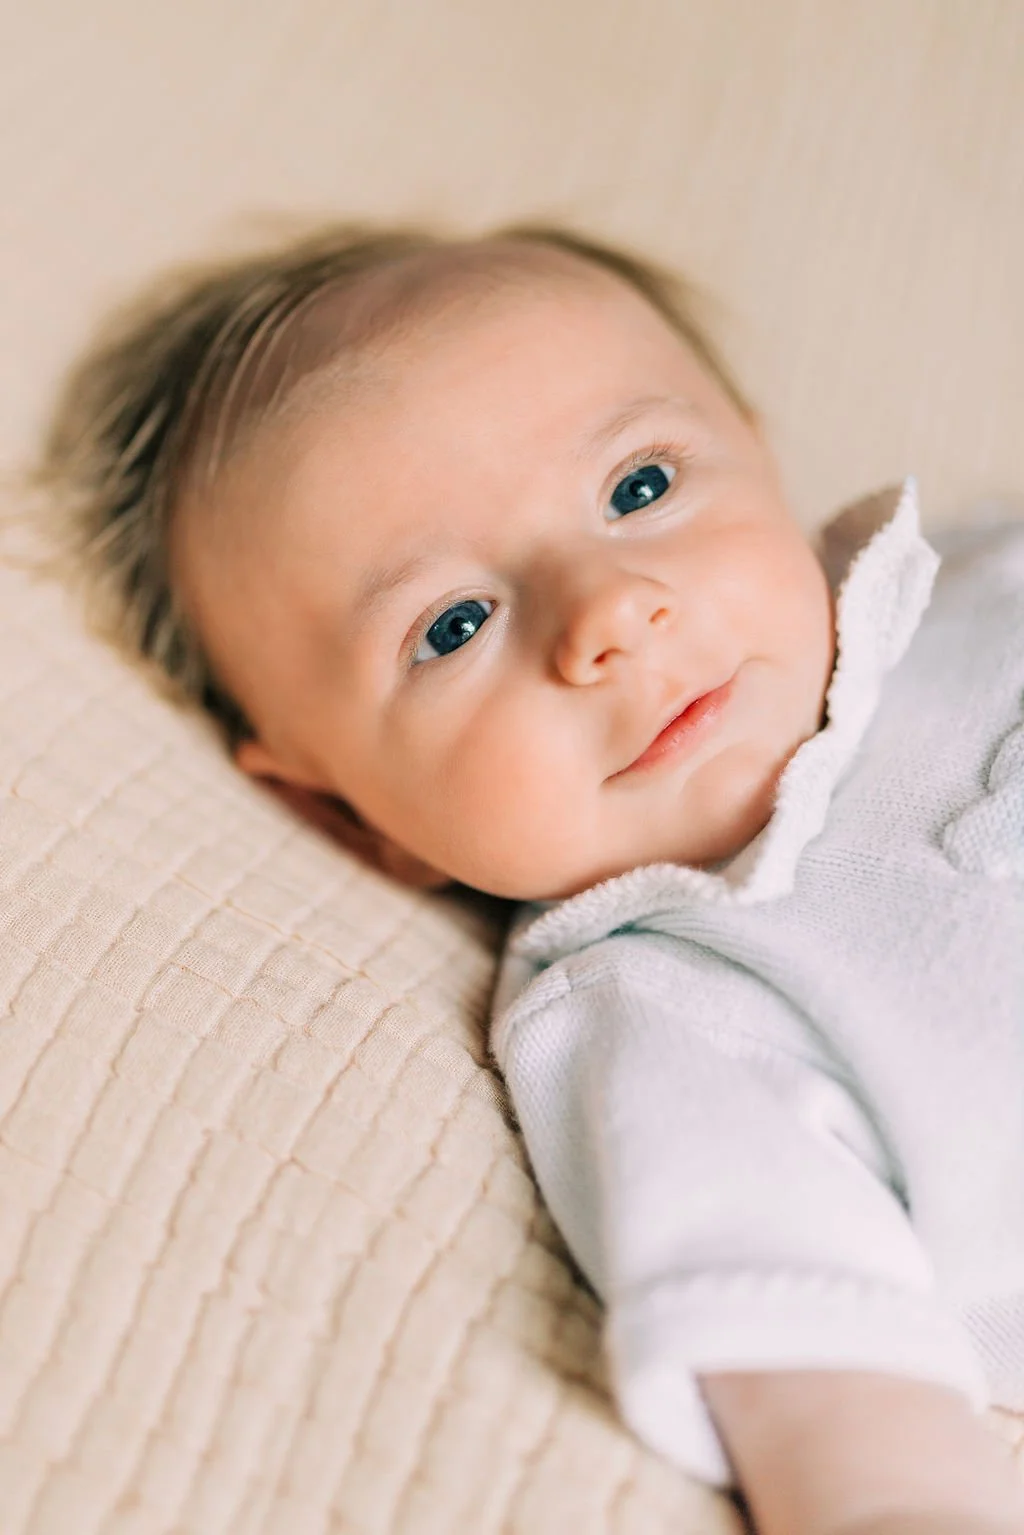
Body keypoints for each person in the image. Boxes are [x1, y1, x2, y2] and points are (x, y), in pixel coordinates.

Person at [26, 222, 1024, 1535]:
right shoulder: (657, 1000)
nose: (609, 613)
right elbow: (860, 1434)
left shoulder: (977, 571)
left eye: (641, 485)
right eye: (453, 623)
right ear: (342, 809)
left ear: (757, 448)